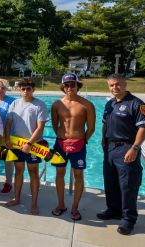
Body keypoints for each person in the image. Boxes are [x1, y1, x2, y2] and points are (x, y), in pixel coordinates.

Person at [99, 74, 145, 235]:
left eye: (118, 84)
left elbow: (144, 127)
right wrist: (103, 141)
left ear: (125, 84)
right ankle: (113, 210)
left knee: (128, 185)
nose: (115, 88)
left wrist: (134, 148)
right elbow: (105, 124)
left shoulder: (137, 104)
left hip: (127, 147)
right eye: (112, 85)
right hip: (110, 148)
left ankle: (128, 219)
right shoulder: (109, 104)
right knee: (110, 182)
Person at [51, 73, 96, 221]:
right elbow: (55, 125)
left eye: (72, 84)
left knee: (78, 175)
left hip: (79, 145)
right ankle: (61, 204)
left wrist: (83, 141)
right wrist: (62, 137)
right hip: (61, 144)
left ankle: (75, 208)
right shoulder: (57, 104)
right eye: (66, 85)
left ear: (78, 86)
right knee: (59, 174)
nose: (69, 87)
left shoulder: (87, 105)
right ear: (63, 87)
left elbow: (91, 128)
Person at [4, 78, 48, 215]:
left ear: (33, 89)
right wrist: (7, 139)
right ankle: (16, 198)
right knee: (18, 171)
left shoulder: (39, 105)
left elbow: (40, 127)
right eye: (23, 88)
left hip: (33, 145)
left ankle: (34, 203)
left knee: (33, 173)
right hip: (17, 144)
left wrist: (29, 143)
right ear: (19, 90)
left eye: (28, 88)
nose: (25, 91)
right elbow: (9, 123)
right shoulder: (15, 104)